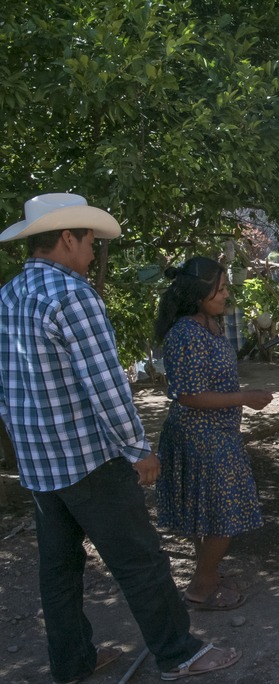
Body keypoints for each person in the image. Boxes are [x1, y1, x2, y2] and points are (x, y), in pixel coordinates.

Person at [0, 193, 240, 682]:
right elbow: (106, 383)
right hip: (89, 457)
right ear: (68, 238)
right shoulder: (72, 294)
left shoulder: (11, 293)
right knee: (140, 560)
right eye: (88, 241)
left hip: (41, 461)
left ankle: (72, 660)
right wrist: (137, 448)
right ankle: (178, 653)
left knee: (59, 568)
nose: (92, 252)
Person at [154, 256, 274, 610]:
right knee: (227, 512)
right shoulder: (185, 334)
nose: (225, 295)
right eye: (219, 290)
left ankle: (206, 573)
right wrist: (245, 398)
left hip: (219, 431)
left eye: (225, 288)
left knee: (209, 511)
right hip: (199, 436)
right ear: (197, 294)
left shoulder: (212, 326)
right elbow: (189, 395)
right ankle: (202, 587)